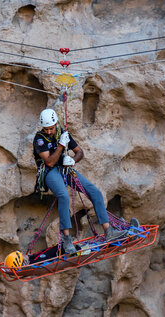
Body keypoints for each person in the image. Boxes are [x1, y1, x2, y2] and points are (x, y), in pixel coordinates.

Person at [32, 109, 126, 255]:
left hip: (64, 168)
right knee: (63, 195)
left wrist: (73, 160)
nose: (49, 131)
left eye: (52, 128)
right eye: (46, 129)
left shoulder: (62, 133)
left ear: (56, 123)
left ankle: (109, 231)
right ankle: (67, 239)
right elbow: (49, 162)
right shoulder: (39, 139)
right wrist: (61, 146)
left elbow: (80, 152)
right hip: (49, 172)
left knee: (94, 191)